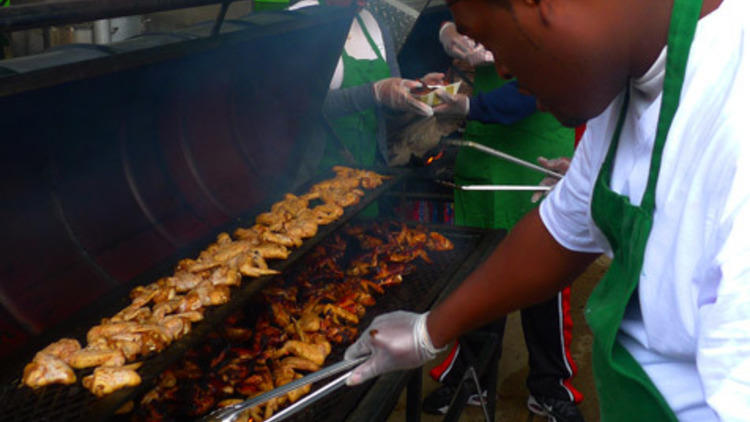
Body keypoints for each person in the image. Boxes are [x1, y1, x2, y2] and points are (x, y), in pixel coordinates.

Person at [345, 0, 749, 419]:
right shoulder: (628, 80)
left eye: (491, 41)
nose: (500, 71)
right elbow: (563, 226)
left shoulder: (737, 118)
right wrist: (428, 331)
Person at [418, 23, 584, 420]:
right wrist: (447, 32)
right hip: (485, 155)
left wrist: (472, 107)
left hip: (537, 158)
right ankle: (470, 375)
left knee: (543, 282)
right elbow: (432, 21)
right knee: (479, 273)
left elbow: (546, 78)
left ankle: (550, 386)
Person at [289, 0, 442, 175]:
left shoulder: (374, 23)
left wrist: (415, 91)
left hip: (370, 169)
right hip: (315, 172)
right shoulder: (297, 22)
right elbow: (301, 108)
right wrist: (375, 92)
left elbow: (390, 107)